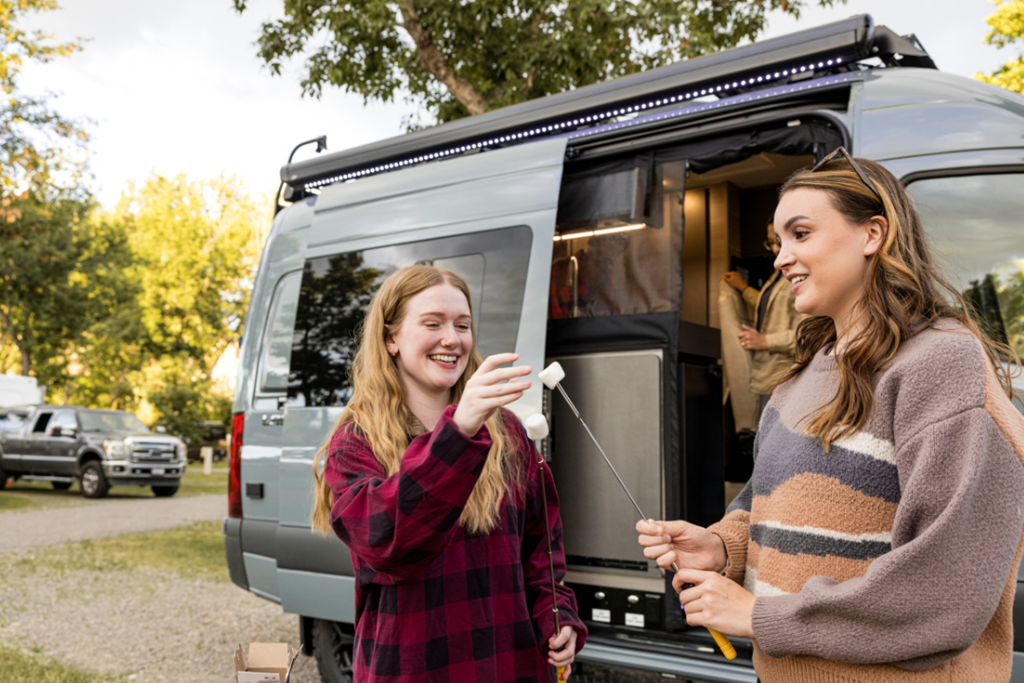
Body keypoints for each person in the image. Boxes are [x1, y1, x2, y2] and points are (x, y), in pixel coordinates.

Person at [637, 149, 1024, 682]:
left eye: (800, 234)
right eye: (778, 242)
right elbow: (769, 514)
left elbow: (943, 589)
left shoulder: (939, 363)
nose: (779, 259)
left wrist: (757, 614)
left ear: (872, 234)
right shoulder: (795, 384)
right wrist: (722, 547)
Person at [311, 265, 586, 683]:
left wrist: (557, 613)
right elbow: (386, 542)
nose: (452, 339)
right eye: (432, 324)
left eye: (462, 325)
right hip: (414, 668)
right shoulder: (356, 442)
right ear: (391, 339)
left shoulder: (507, 430)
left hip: (510, 665)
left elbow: (541, 545)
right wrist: (458, 433)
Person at [721, 219, 805, 406]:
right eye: (771, 242)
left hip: (791, 377)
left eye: (778, 241)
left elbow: (812, 333)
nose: (775, 249)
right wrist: (743, 289)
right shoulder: (780, 273)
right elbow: (771, 307)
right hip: (772, 376)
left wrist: (766, 341)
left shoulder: (801, 274)